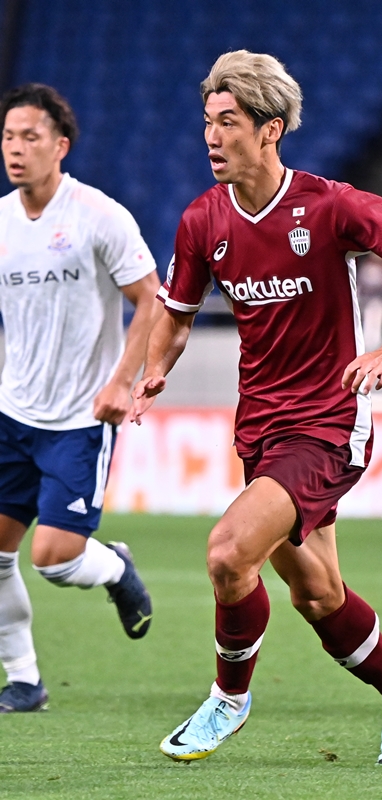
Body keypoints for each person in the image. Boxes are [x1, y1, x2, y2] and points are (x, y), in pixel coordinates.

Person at [132, 51, 382, 766]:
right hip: (261, 429)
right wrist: (154, 371)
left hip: (328, 423)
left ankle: (227, 699)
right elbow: (177, 313)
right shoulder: (202, 219)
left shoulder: (330, 205)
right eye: (207, 121)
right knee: (317, 594)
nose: (212, 136)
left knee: (227, 553)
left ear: (270, 128)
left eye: (228, 122)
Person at [0, 84, 160, 713]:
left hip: (78, 418)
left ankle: (115, 567)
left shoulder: (98, 214)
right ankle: (24, 680)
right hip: (12, 411)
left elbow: (150, 298)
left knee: (54, 559)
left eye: (30, 136)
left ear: (60, 146)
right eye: (8, 136)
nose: (16, 148)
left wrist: (122, 380)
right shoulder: (1, 222)